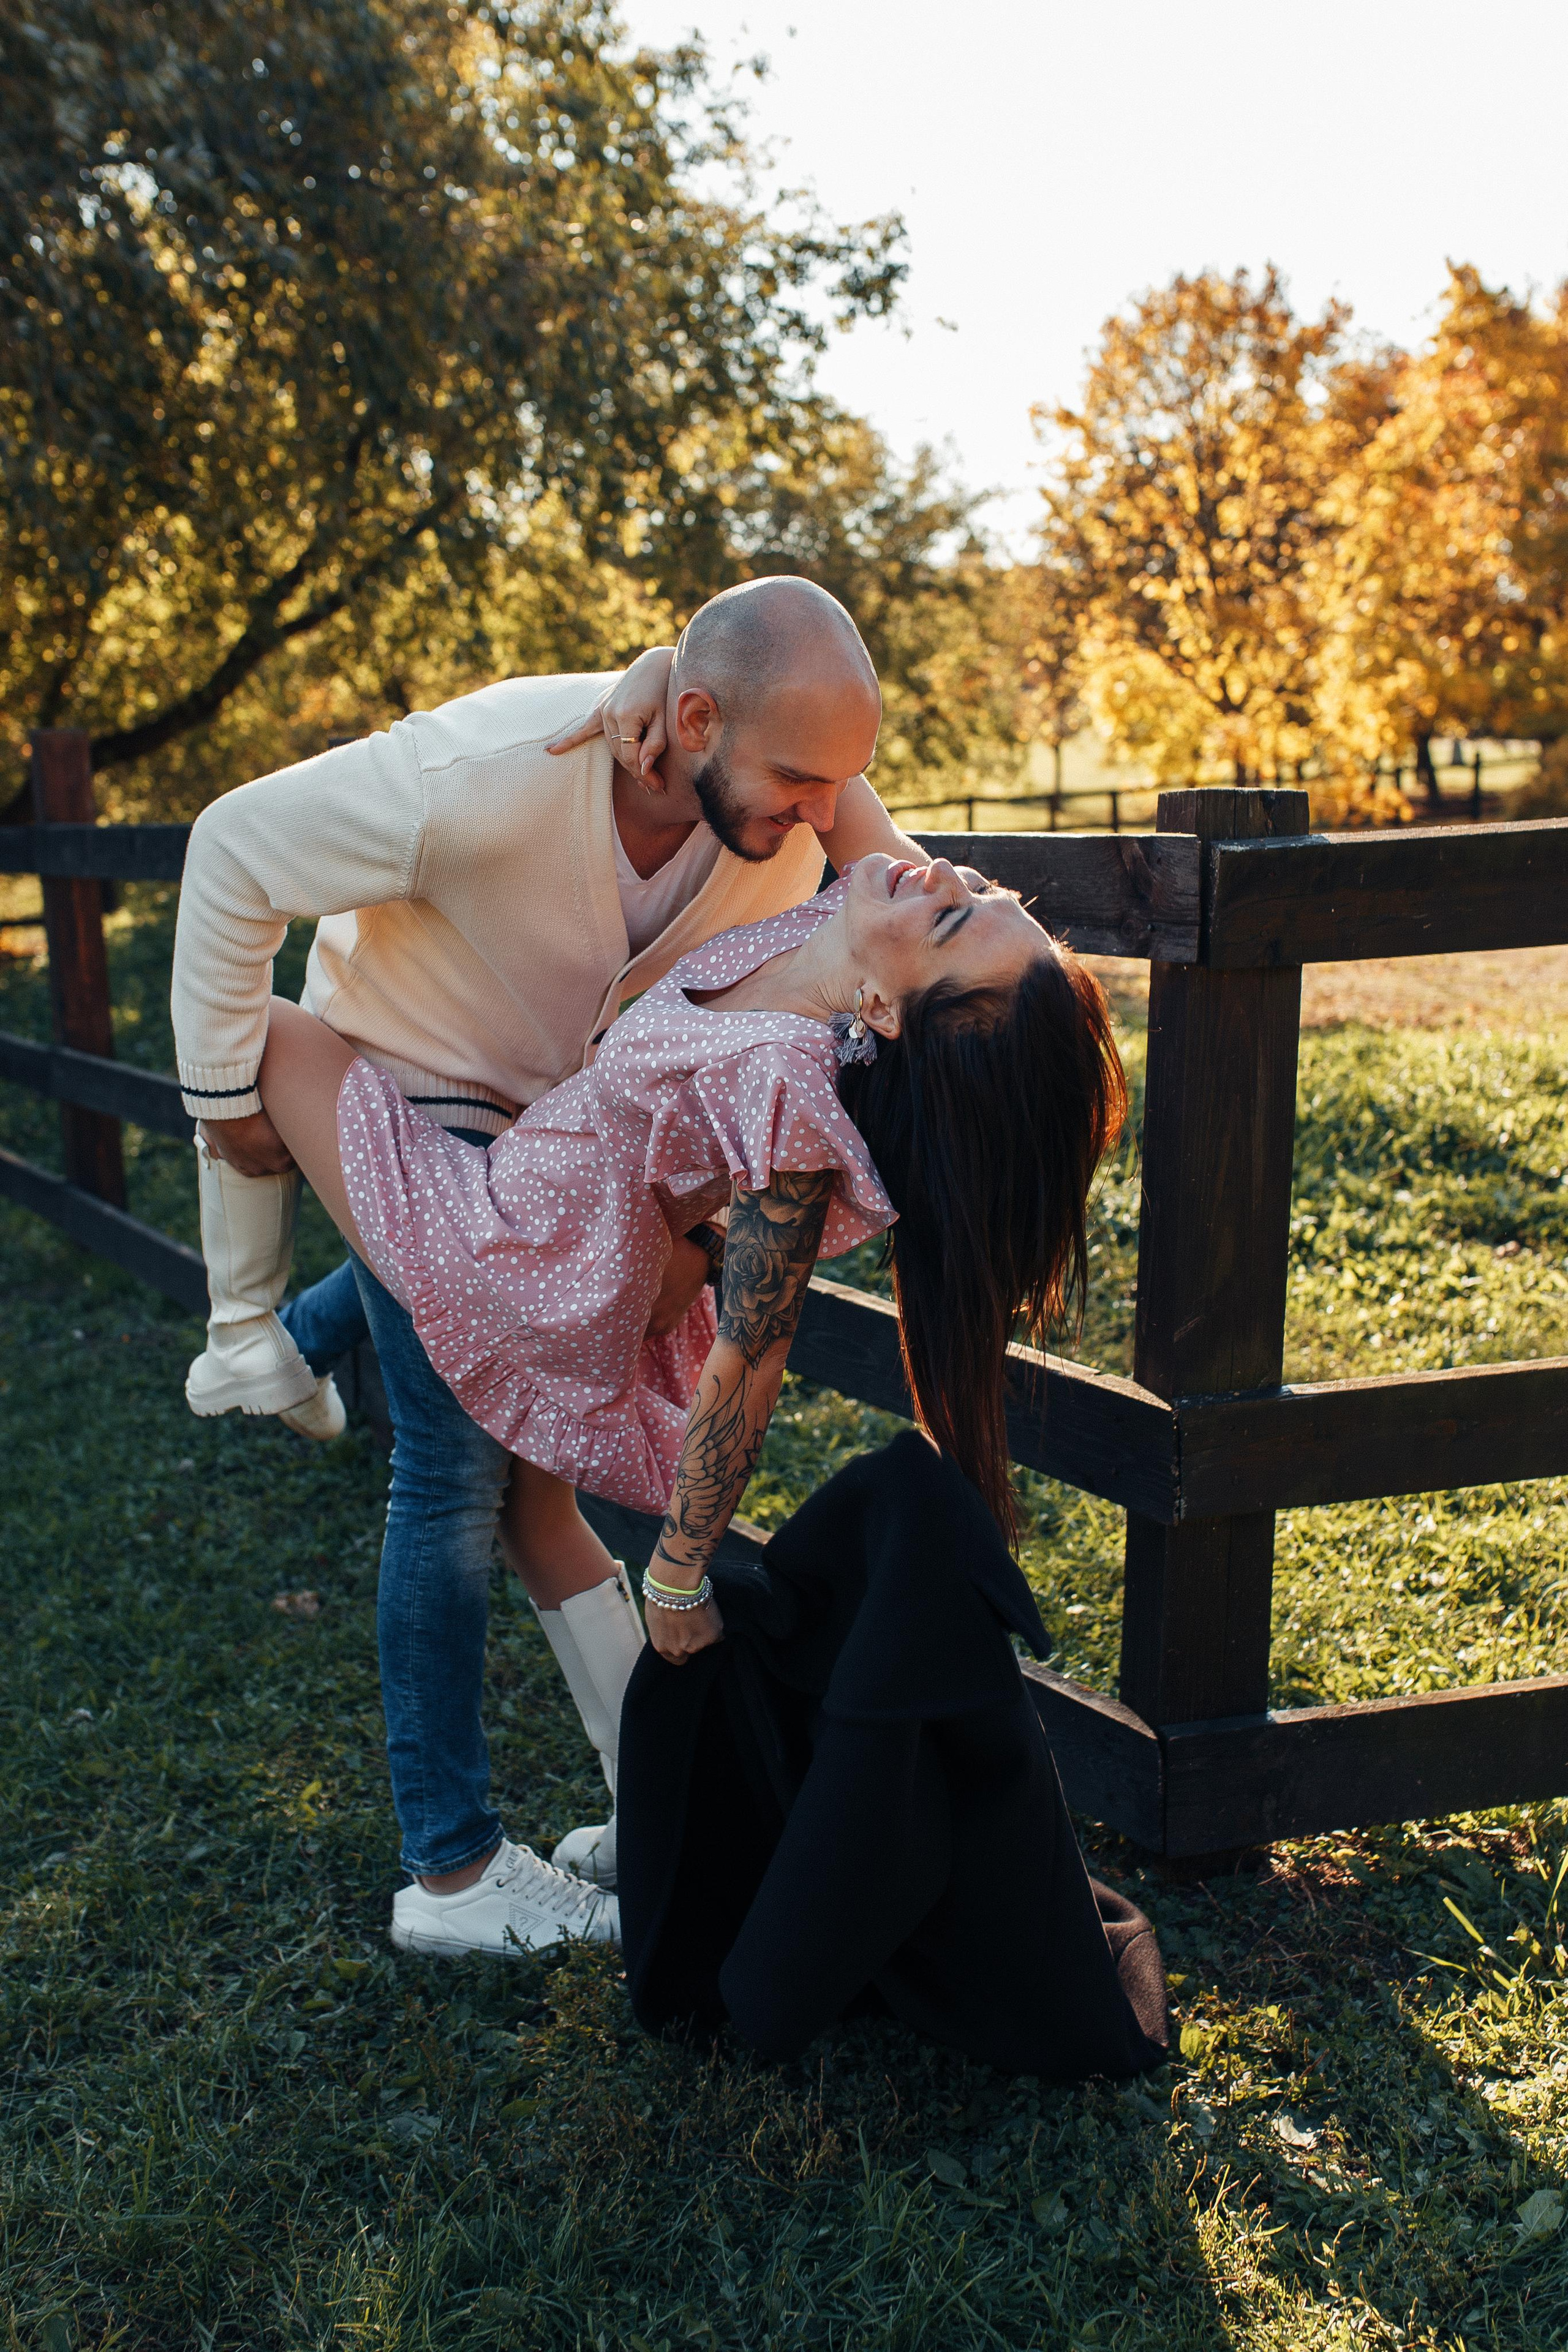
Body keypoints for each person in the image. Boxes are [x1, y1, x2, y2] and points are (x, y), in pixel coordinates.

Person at [169, 579, 937, 1953]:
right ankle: (451, 1874)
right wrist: (224, 1099)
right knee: (455, 1475)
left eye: (843, 785)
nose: (829, 817)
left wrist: (696, 1243)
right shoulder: (478, 778)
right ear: (690, 721)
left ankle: (657, 1812)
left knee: (536, 1490)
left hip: (555, 1161)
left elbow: (939, 921)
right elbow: (232, 845)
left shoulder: (782, 808)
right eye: (801, 781)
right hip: (411, 1098)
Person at [250, 848, 1128, 1958]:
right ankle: (663, 1815)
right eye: (992, 895)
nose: (951, 877)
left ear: (882, 1013)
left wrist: (678, 1571)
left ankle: (247, 1332)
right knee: (533, 1517)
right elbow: (842, 785)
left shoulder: (790, 1085)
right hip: (559, 1235)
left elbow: (753, 1349)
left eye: (961, 919)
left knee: (262, 1029)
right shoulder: (854, 924)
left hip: (511, 1251)